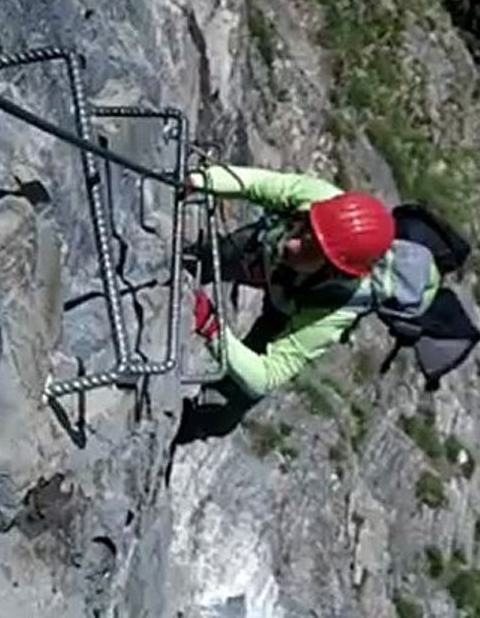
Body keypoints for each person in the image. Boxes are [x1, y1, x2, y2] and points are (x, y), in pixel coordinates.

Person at [175, 165, 441, 442]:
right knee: (217, 255)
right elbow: (257, 183)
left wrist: (211, 328)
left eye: (312, 248)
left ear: (337, 270)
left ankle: (190, 423)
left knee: (229, 400)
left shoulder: (334, 311)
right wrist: (199, 180)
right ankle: (188, 260)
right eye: (306, 229)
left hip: (292, 309)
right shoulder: (323, 201)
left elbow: (266, 376)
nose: (294, 244)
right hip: (266, 256)